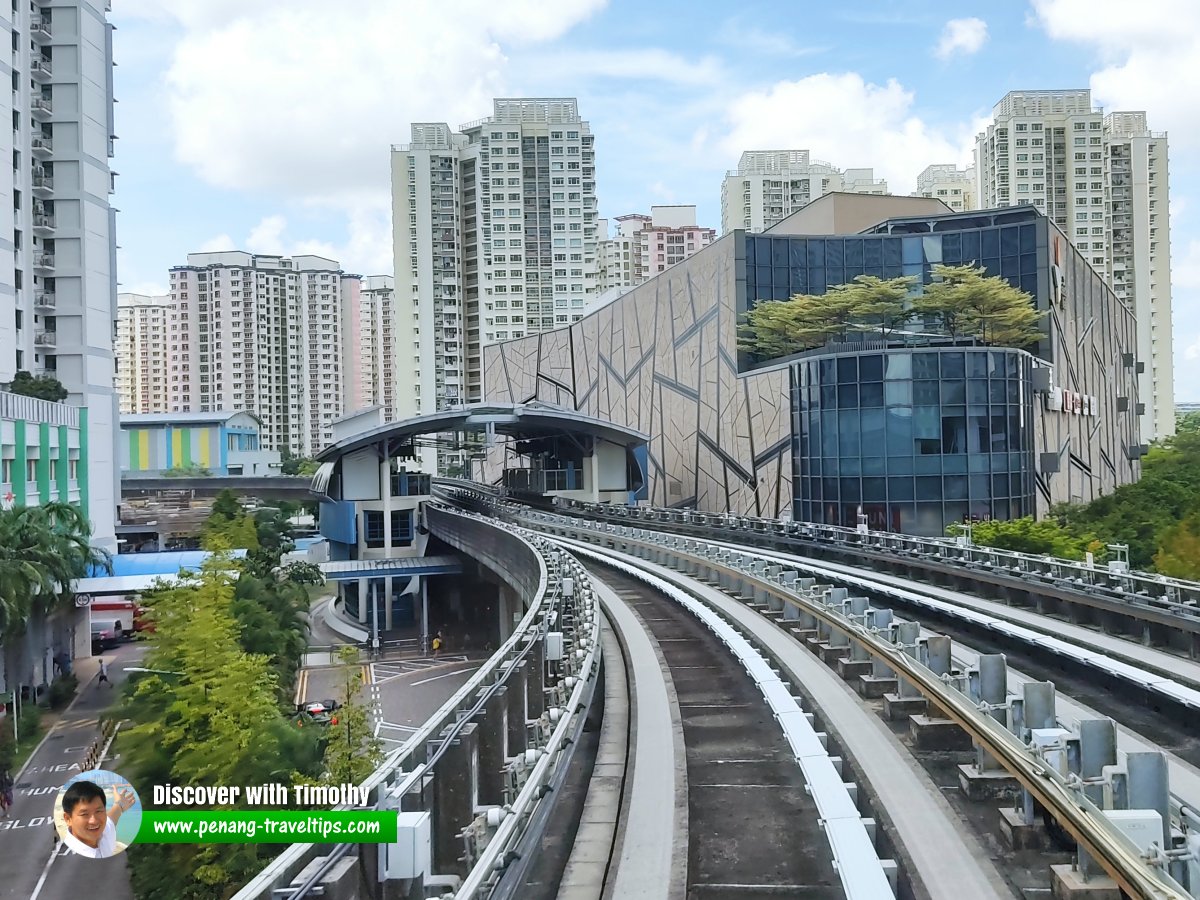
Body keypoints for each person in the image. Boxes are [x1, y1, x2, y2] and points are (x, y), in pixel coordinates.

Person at [60, 779, 135, 859]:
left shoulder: (104, 832)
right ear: (68, 819)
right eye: (84, 814)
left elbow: (111, 819)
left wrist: (119, 805)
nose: (94, 821)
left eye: (98, 811)